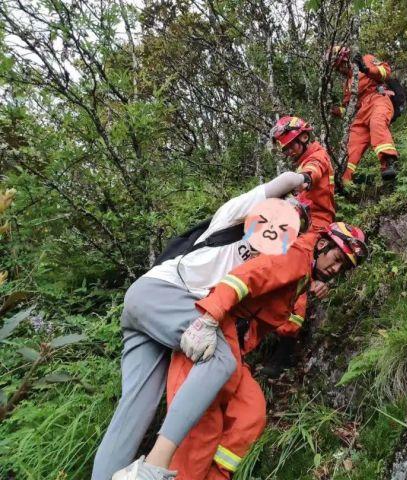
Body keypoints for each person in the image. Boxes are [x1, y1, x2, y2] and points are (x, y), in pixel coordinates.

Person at [92, 172, 311, 480]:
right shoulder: (233, 217)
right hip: (161, 292)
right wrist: (302, 178)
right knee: (219, 358)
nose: (279, 222)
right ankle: (152, 469)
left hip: (149, 313)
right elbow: (283, 180)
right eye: (280, 212)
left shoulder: (265, 260)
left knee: (134, 413)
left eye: (291, 224)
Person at [163, 222, 368, 480]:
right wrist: (209, 319)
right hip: (212, 332)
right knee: (201, 426)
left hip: (233, 346)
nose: (336, 269)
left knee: (251, 412)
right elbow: (243, 278)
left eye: (343, 267)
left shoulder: (304, 270)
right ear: (323, 244)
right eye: (337, 259)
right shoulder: (295, 255)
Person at [262, 116, 338, 377]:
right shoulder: (305, 160)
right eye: (286, 147)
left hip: (316, 225)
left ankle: (285, 344)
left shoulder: (316, 157)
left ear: (304, 137)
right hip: (298, 221)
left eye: (293, 144)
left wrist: (303, 179)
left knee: (298, 269)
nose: (290, 150)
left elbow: (313, 172)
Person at [329, 46, 398, 184]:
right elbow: (349, 110)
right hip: (360, 114)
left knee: (377, 123)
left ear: (346, 58)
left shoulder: (366, 59)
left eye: (341, 65)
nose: (341, 70)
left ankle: (389, 162)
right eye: (338, 68)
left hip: (377, 99)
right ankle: (342, 182)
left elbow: (385, 71)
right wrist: (336, 110)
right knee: (351, 148)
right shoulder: (348, 84)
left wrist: (366, 69)